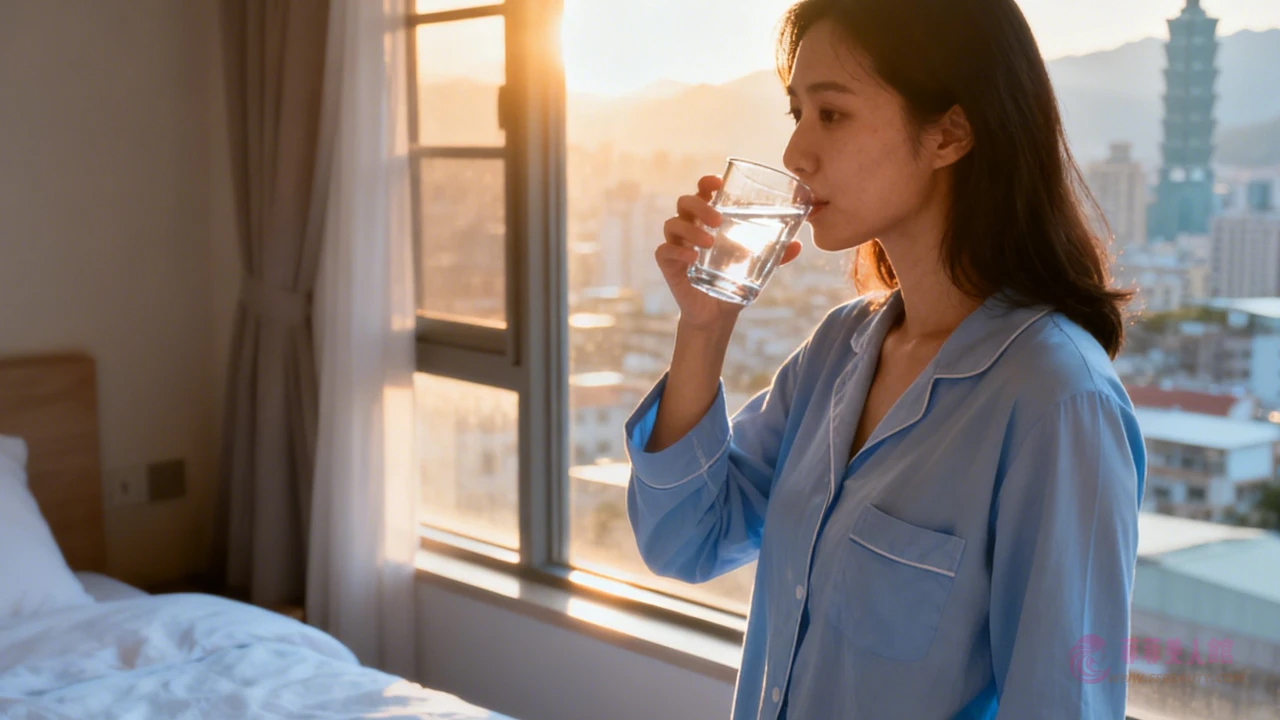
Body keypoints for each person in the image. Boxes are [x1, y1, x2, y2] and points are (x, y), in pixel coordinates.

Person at [623, 0, 1147, 718]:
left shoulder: (1058, 401)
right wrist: (705, 325)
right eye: (796, 114)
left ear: (950, 134)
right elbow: (685, 541)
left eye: (831, 114)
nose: (795, 153)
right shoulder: (837, 350)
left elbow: (1060, 705)